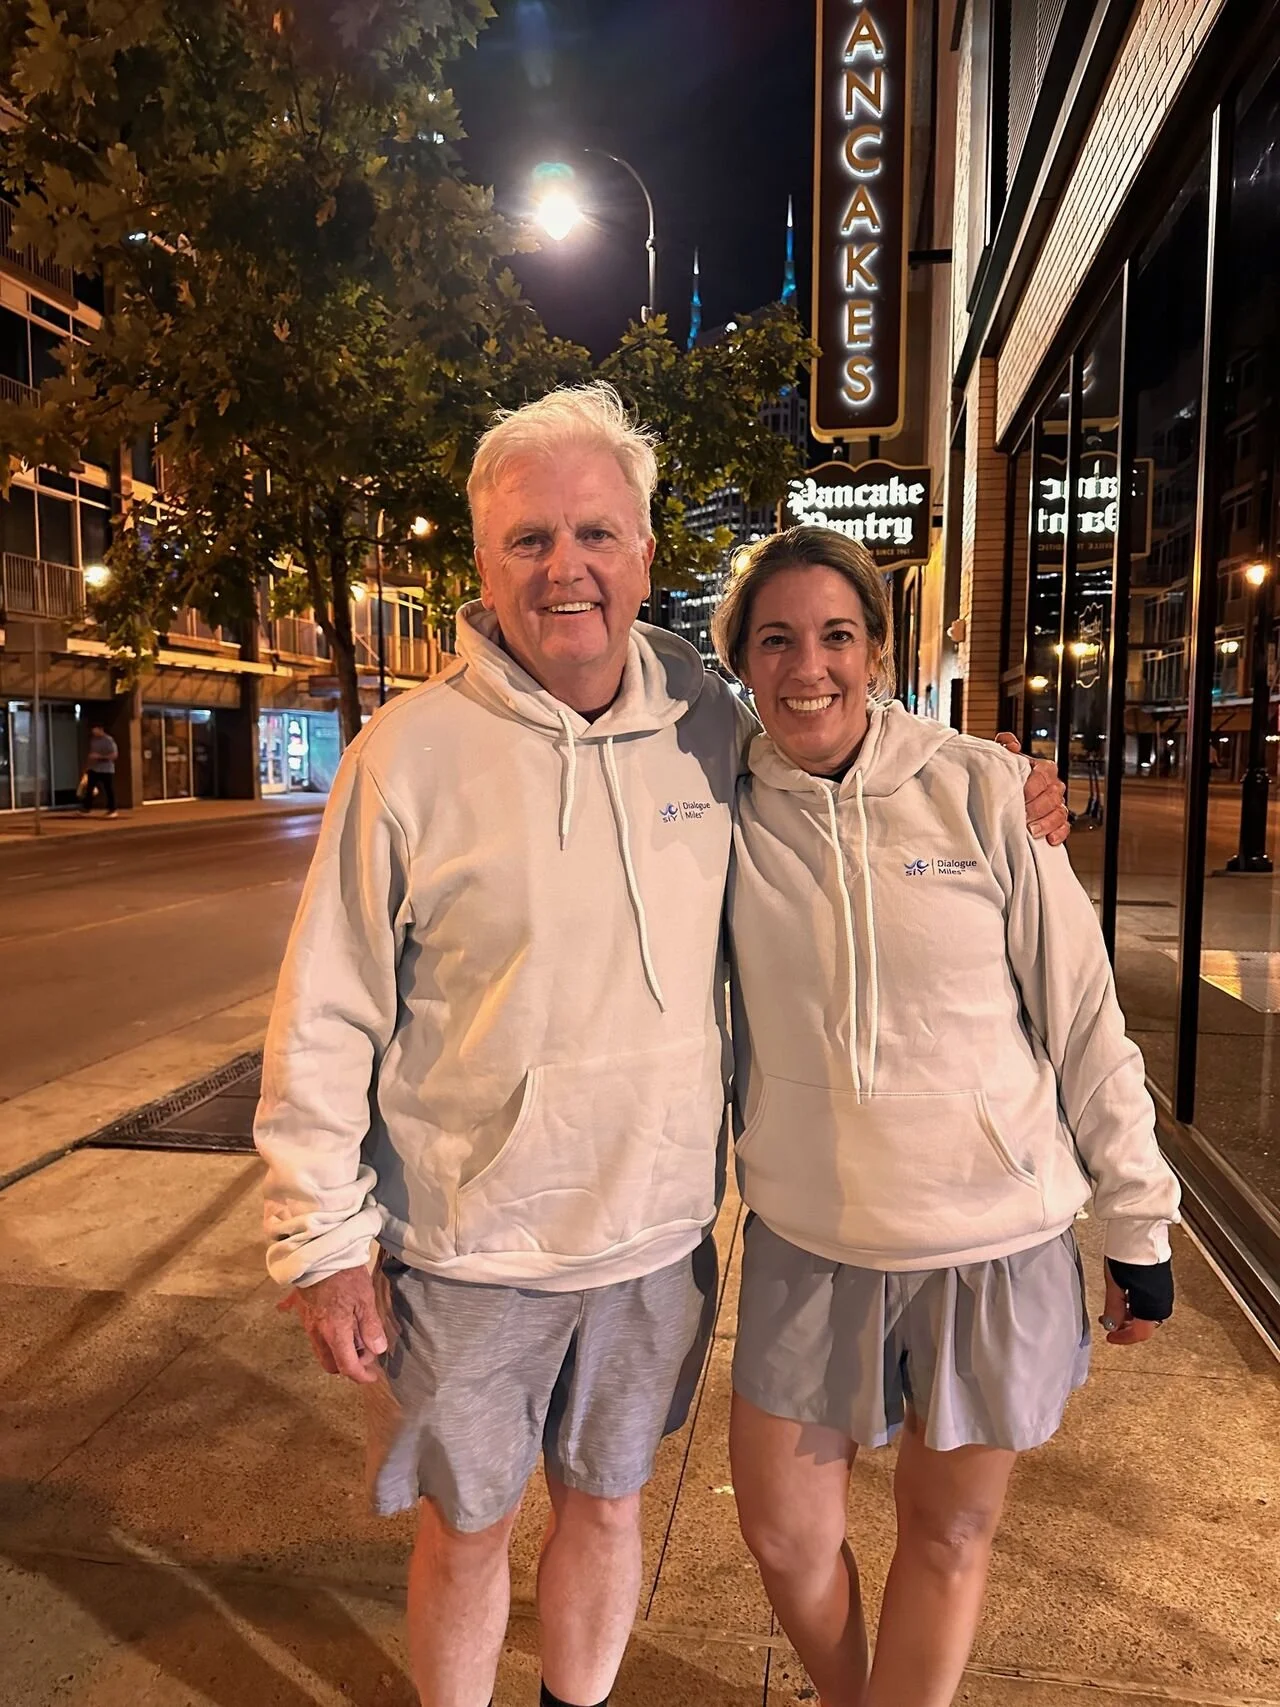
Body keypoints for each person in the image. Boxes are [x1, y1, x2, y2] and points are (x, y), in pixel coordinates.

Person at [254, 386, 1069, 1707]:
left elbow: (852, 746)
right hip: (468, 1249)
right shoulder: (403, 758)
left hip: (655, 1240)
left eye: (596, 533)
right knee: (466, 1530)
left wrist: (998, 775)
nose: (565, 566)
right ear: (482, 559)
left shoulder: (710, 716)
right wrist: (322, 1239)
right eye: (530, 539)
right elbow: (324, 1008)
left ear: (643, 555)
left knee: (612, 1507)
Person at [713, 526, 1181, 1707]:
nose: (805, 667)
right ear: (738, 661)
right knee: (780, 1534)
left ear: (876, 653)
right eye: (774, 640)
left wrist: (1138, 1224)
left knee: (946, 1538)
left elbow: (1081, 1018)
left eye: (834, 636)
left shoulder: (978, 788)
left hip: (988, 1236)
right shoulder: (715, 802)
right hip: (808, 1235)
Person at [81, 723, 119, 817]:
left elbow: (114, 755)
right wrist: (87, 766)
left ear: (101, 729)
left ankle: (112, 809)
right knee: (90, 788)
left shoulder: (109, 740)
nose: (94, 732)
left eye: (95, 730)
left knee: (108, 789)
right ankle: (86, 808)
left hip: (106, 769)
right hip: (94, 768)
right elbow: (91, 755)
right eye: (92, 730)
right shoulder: (93, 740)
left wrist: (100, 757)